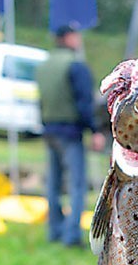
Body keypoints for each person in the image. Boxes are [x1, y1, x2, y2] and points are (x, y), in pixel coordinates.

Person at [36, 22, 105, 247]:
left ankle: (54, 230)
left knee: (54, 183)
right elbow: (84, 103)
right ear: (68, 38)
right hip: (70, 131)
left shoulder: (44, 65)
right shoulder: (75, 66)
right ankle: (72, 235)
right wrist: (94, 130)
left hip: (49, 129)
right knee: (77, 184)